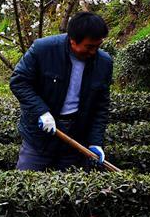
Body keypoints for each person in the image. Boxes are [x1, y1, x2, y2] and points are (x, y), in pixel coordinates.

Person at [9, 12, 113, 171]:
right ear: (73, 40)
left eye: (97, 46)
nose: (93, 52)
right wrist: (41, 111)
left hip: (76, 137)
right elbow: (19, 81)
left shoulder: (104, 63)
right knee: (25, 184)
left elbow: (100, 106)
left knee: (68, 190)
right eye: (89, 46)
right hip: (39, 138)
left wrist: (95, 142)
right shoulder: (43, 49)